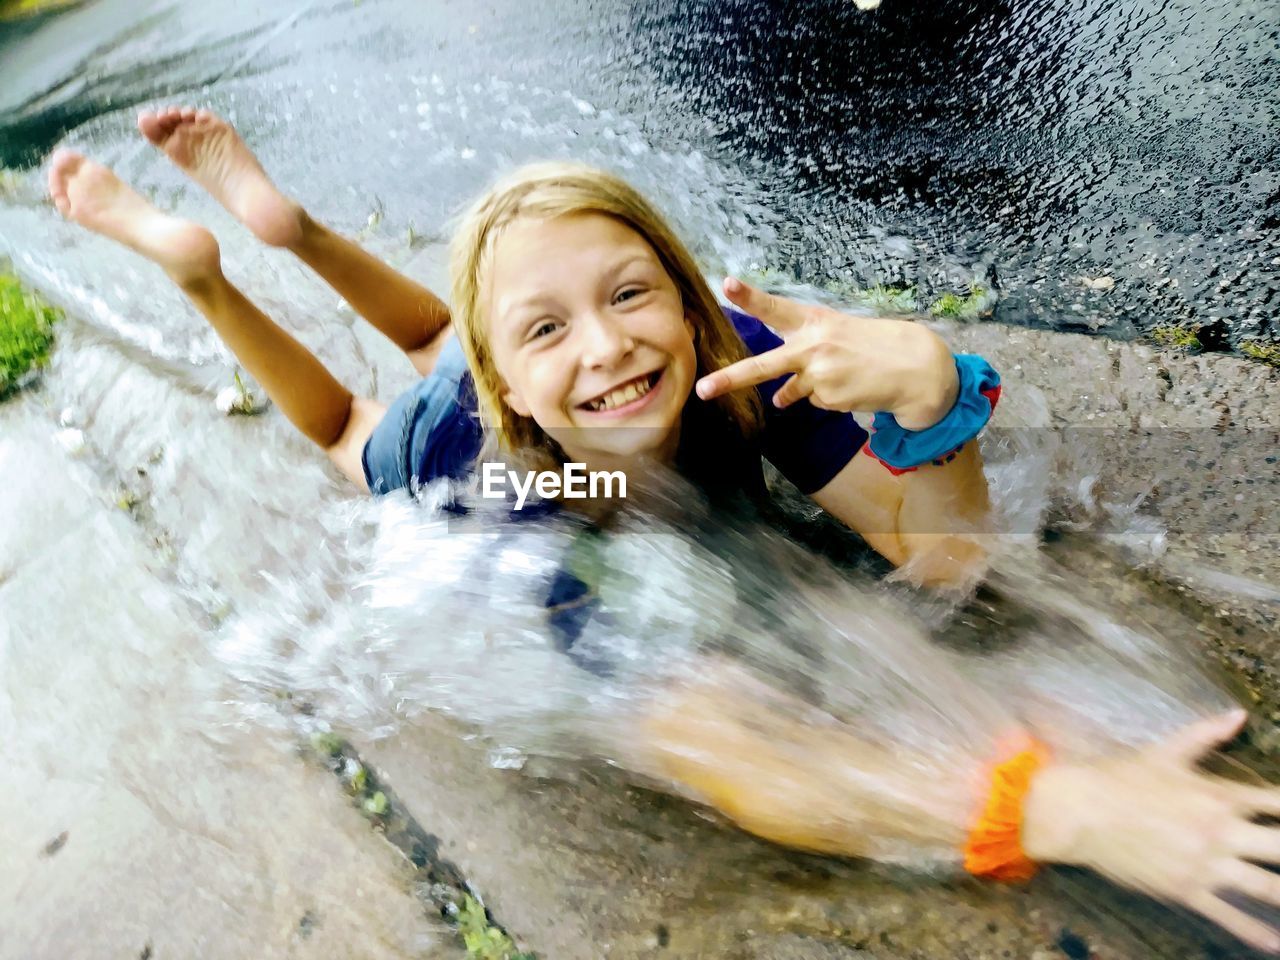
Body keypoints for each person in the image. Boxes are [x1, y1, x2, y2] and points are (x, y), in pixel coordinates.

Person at [46, 107, 1280, 954]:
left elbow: (947, 554)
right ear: (511, 394)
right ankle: (206, 263)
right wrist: (1053, 808)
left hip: (495, 384)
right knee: (345, 425)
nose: (608, 344)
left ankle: (291, 228)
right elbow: (729, 755)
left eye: (630, 293)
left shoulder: (734, 361)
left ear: (689, 303)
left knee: (443, 328)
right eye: (549, 331)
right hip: (472, 447)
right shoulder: (516, 497)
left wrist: (929, 399)